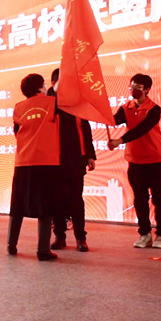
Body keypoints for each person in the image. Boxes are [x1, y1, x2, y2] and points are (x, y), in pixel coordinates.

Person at [108, 74, 161, 249]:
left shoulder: (154, 109)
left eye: (139, 87)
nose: (134, 89)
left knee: (159, 199)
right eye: (132, 86)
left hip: (155, 160)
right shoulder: (126, 108)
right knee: (140, 199)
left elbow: (141, 129)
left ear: (147, 89)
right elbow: (114, 120)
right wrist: (102, 113)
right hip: (135, 161)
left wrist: (119, 141)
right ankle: (145, 234)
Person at [7, 74, 61, 260]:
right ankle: (43, 250)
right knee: (45, 207)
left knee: (17, 206)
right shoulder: (52, 103)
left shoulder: (18, 107)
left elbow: (17, 132)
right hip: (46, 161)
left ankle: (11, 244)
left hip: (23, 161)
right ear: (40, 87)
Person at [47, 68, 95, 252]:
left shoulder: (77, 102)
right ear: (53, 83)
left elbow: (85, 128)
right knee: (56, 200)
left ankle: (81, 238)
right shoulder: (46, 103)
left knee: (76, 200)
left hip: (75, 158)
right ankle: (59, 236)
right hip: (54, 159)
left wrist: (89, 155)